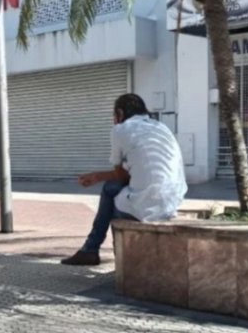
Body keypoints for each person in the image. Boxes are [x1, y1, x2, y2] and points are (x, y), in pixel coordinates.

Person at [61, 93, 187, 266]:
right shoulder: (160, 128)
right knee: (114, 190)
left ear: (119, 113)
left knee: (110, 191)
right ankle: (92, 250)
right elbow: (133, 173)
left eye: (114, 116)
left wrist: (98, 178)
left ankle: (93, 250)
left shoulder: (121, 129)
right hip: (171, 204)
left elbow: (121, 177)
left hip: (145, 208)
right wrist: (97, 176)